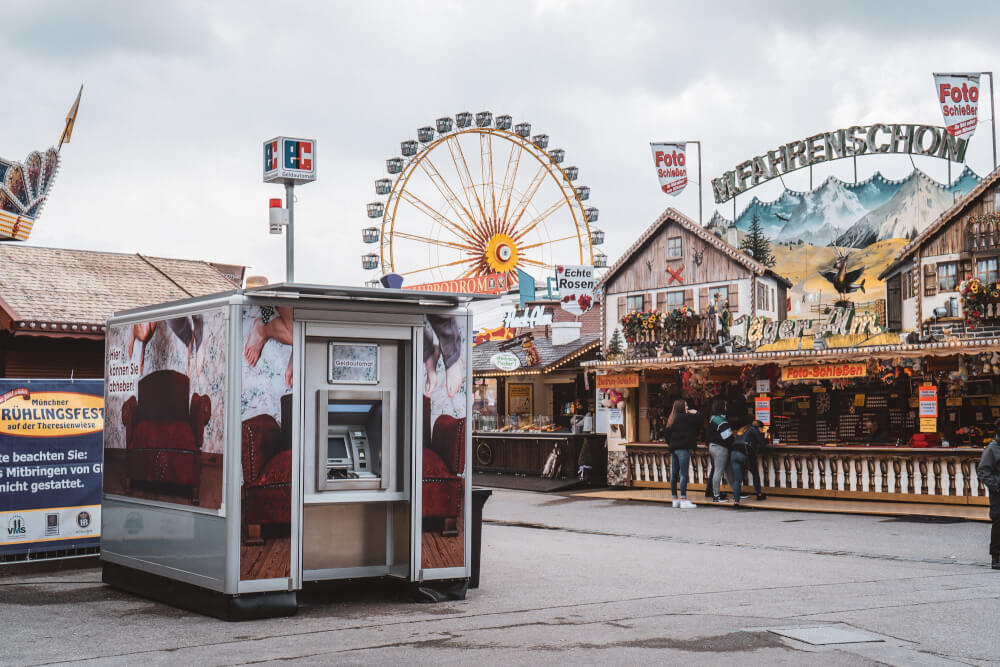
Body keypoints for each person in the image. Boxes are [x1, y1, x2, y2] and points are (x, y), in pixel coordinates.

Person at [663, 399, 701, 509]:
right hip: (683, 449)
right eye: (685, 406)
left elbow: (667, 434)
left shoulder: (672, 418)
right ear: (681, 407)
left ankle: (675, 499)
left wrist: (672, 443)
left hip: (674, 449)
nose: (687, 408)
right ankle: (683, 499)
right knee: (684, 474)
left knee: (674, 474)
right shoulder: (686, 417)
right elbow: (699, 419)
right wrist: (695, 412)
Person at [977, 419, 1000, 570]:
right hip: (998, 493)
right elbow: (983, 471)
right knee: (998, 522)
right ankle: (996, 556)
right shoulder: (992, 448)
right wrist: (996, 486)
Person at [730, 420, 767, 508]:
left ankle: (736, 502)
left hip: (733, 453)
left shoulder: (741, 430)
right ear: (759, 427)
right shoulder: (754, 429)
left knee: (737, 480)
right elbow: (762, 443)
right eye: (762, 429)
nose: (761, 431)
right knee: (755, 473)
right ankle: (759, 494)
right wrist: (765, 437)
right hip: (744, 453)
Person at [705, 398, 734, 503]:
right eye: (725, 405)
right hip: (720, 448)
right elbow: (728, 438)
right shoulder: (721, 421)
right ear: (721, 407)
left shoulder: (713, 419)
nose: (726, 407)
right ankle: (716, 496)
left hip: (713, 446)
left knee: (726, 470)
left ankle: (736, 491)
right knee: (719, 471)